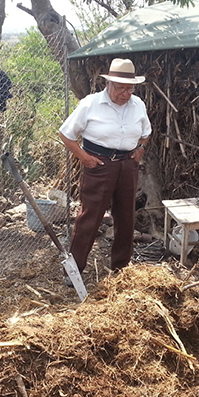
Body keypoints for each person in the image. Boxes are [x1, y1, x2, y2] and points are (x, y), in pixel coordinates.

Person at [59, 58, 151, 284]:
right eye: (120, 88)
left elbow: (146, 132)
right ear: (108, 84)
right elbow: (66, 134)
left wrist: (140, 149)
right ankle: (74, 271)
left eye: (129, 88)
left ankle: (121, 269)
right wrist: (85, 158)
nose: (125, 94)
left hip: (127, 165)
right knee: (90, 218)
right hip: (98, 165)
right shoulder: (90, 104)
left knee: (126, 217)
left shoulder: (138, 104)